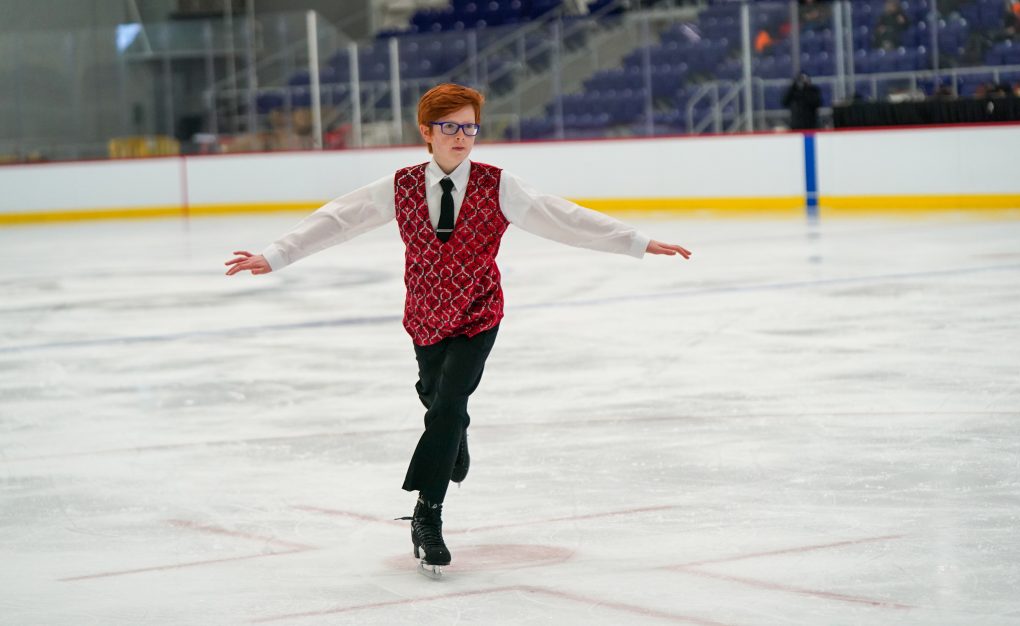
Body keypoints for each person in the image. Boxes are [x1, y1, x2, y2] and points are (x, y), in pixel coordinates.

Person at [224, 83, 690, 578]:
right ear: (427, 132)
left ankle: (427, 515)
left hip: (478, 315)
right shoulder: (400, 186)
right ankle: (455, 437)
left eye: (469, 126)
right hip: (424, 317)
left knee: (447, 406)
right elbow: (339, 219)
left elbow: (563, 219)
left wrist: (636, 242)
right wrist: (276, 255)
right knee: (440, 400)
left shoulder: (498, 185)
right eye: (450, 127)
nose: (461, 136)